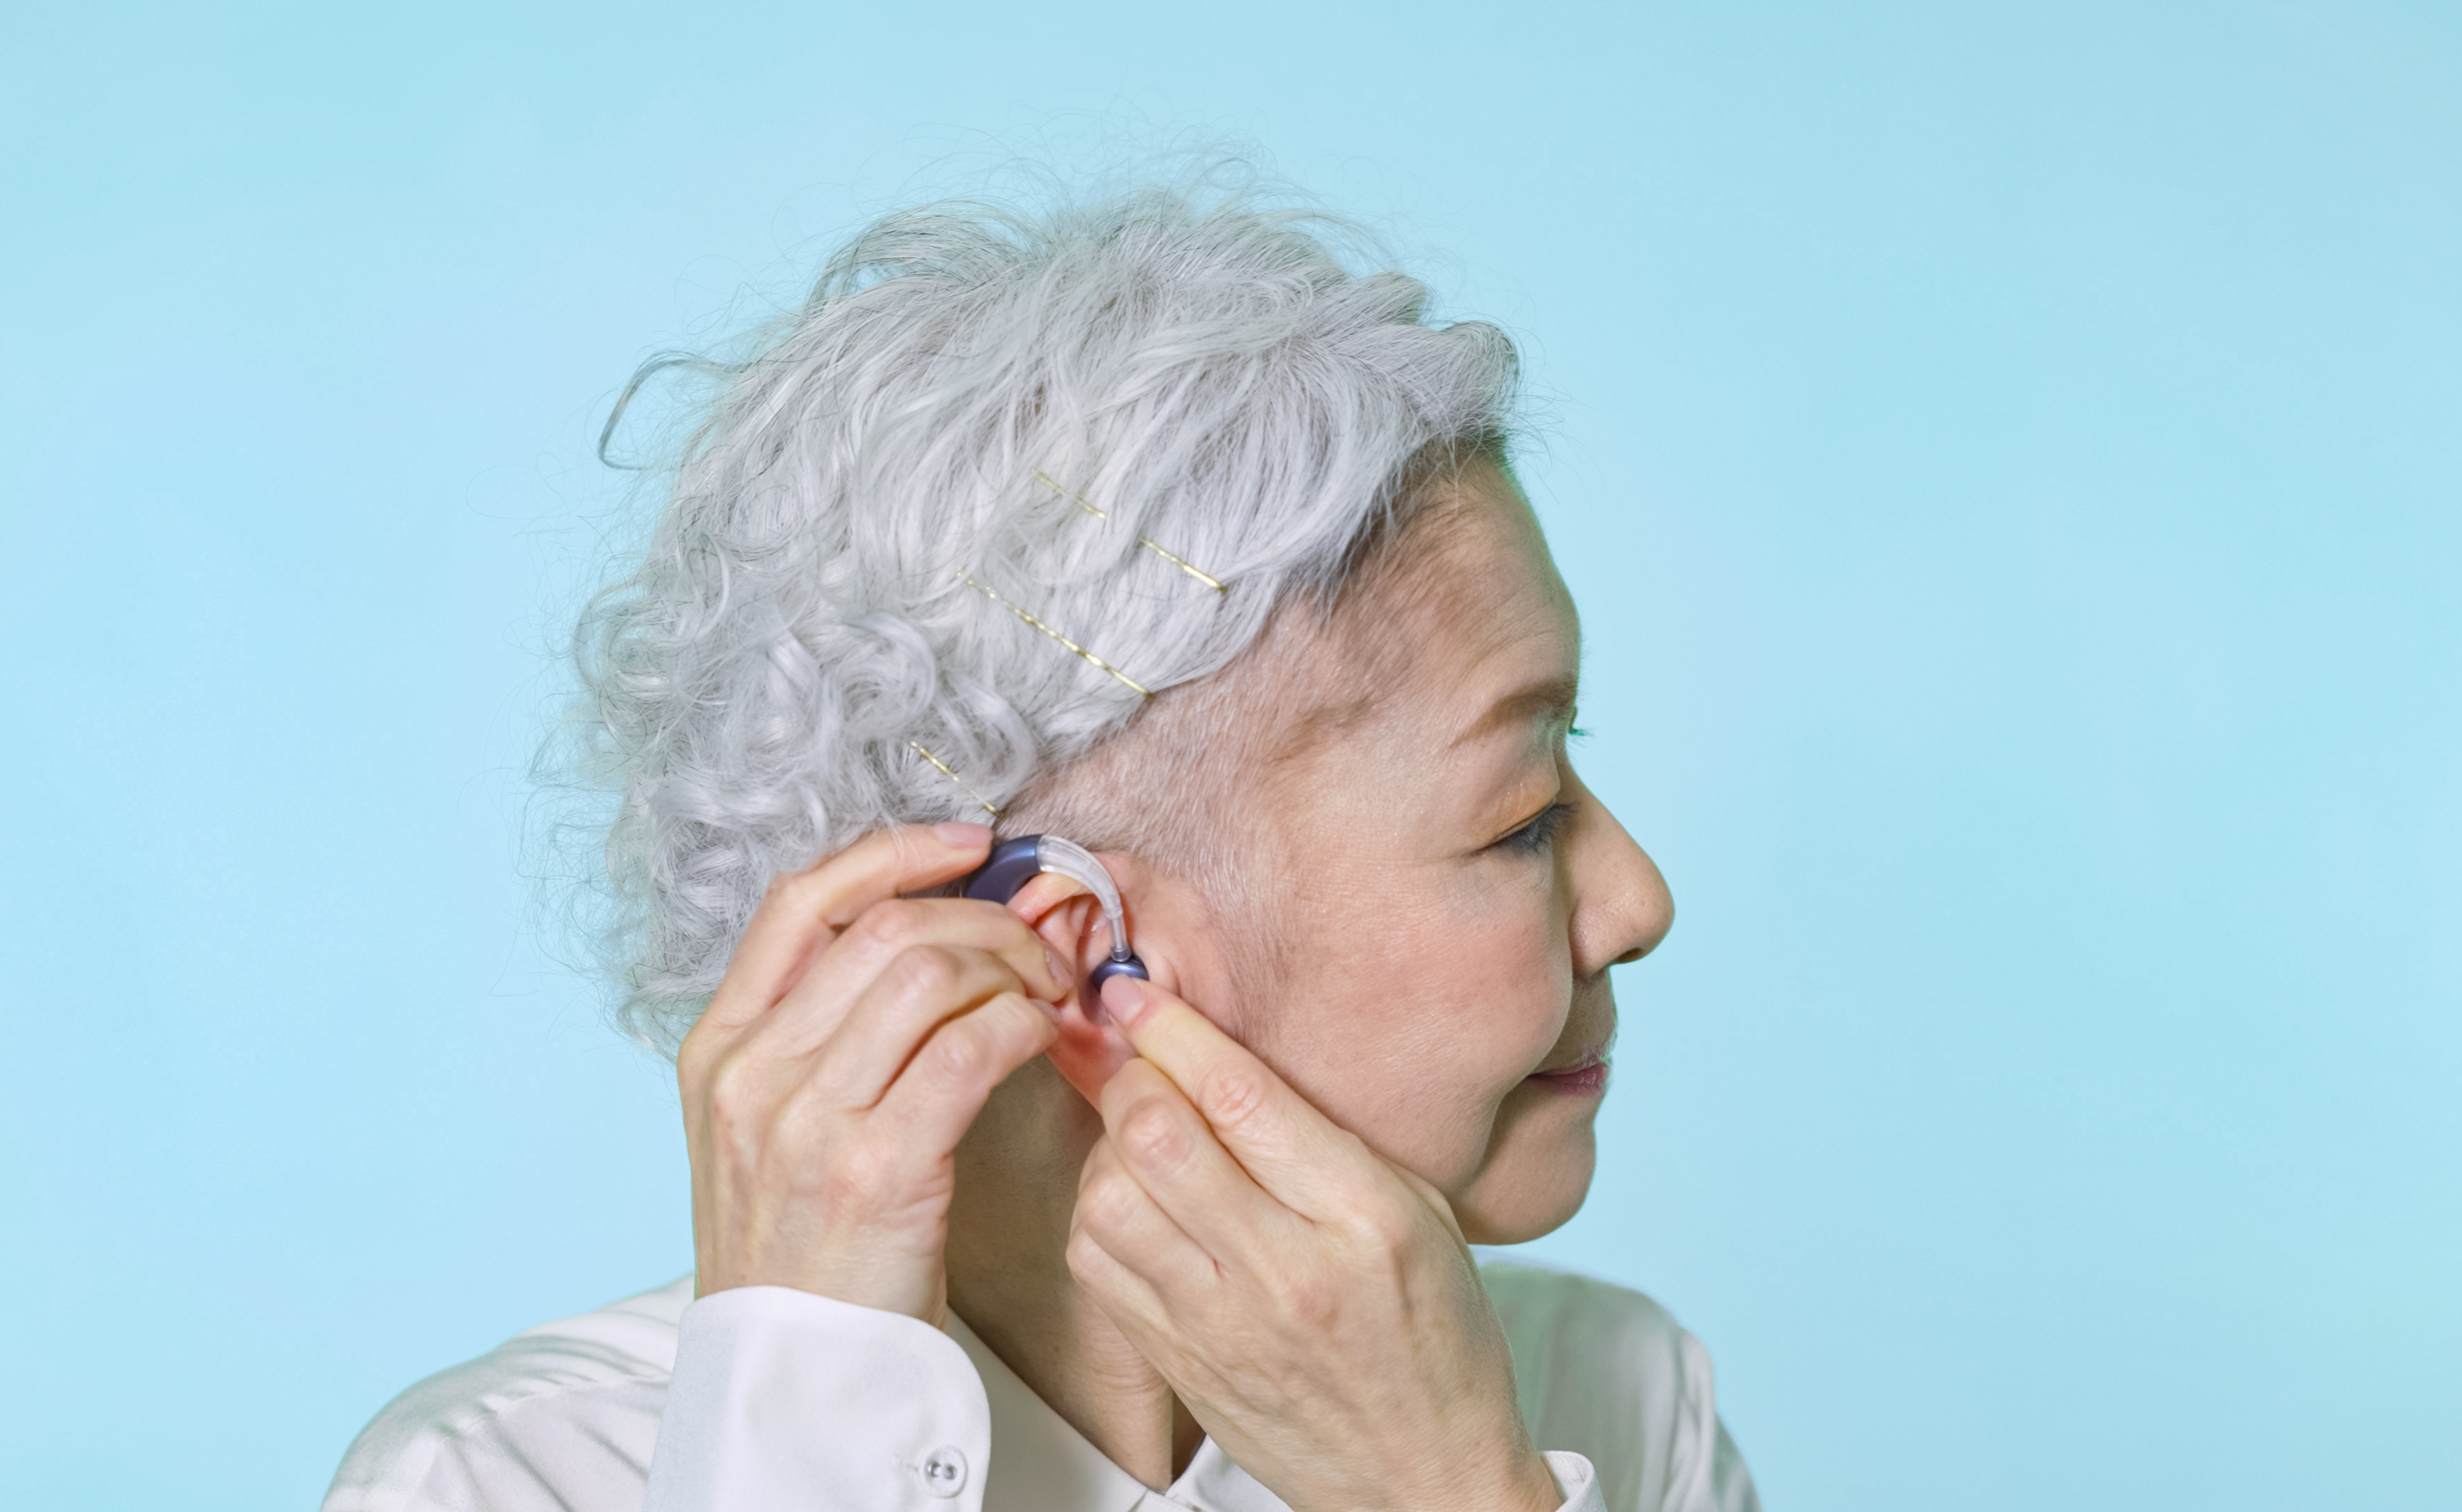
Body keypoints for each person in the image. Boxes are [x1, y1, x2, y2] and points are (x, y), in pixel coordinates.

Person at [325, 178, 1758, 1512]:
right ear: (1080, 955)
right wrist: (794, 1427)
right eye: (1521, 821)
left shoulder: (1614, 1397)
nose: (1638, 902)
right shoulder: (505, 1479)